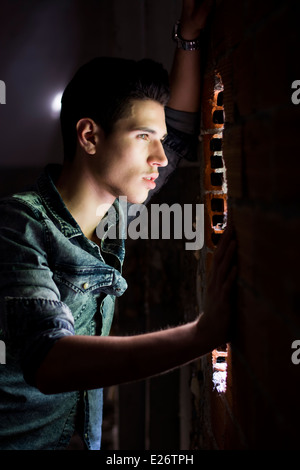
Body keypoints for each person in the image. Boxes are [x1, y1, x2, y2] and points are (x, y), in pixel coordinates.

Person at [0, 0, 236, 450]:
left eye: (159, 140)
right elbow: (49, 361)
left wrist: (188, 37)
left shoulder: (112, 214)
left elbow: (181, 133)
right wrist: (201, 335)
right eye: (143, 138)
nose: (161, 158)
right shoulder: (18, 224)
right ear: (89, 136)